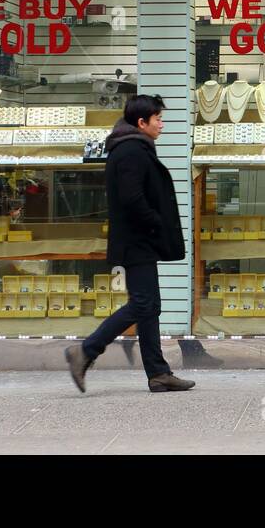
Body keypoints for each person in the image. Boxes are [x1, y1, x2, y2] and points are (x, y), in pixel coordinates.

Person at [66, 94, 194, 394]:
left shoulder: (133, 148)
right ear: (142, 122)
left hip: (140, 240)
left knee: (150, 307)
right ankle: (85, 351)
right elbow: (131, 197)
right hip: (137, 240)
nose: (161, 124)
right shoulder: (131, 152)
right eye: (157, 119)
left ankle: (159, 373)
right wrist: (155, 222)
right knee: (143, 303)